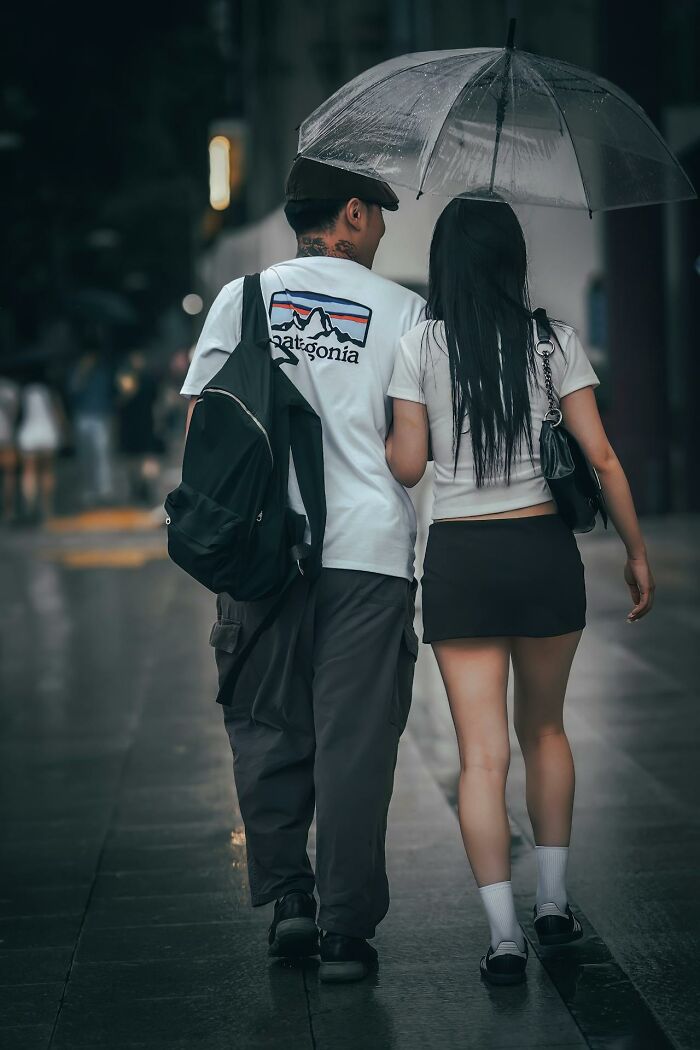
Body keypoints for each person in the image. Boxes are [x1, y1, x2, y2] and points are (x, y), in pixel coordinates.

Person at [386, 198, 655, 986]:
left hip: (462, 559)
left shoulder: (417, 346)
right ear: (510, 260)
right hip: (541, 551)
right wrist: (636, 552)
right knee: (545, 732)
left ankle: (503, 937)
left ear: (443, 263)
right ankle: (554, 904)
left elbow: (408, 467)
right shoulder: (553, 343)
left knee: (480, 757)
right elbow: (601, 458)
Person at [180, 158, 424, 982]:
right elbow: (414, 448)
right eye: (380, 216)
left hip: (259, 552)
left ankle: (291, 900)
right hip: (369, 556)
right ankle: (347, 934)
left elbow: (203, 422)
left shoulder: (242, 299)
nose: (384, 231)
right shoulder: (403, 311)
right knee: (356, 742)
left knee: (266, 725)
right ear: (351, 215)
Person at [68, 345, 115, 507]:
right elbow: (72, 390)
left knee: (101, 454)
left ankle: (104, 490)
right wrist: (82, 372)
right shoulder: (77, 371)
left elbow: (110, 392)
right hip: (82, 415)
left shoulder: (103, 372)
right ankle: (88, 489)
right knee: (85, 454)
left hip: (101, 415)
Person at [116, 351, 164, 505]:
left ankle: (143, 488)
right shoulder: (128, 377)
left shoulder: (144, 379)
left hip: (143, 423)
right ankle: (138, 488)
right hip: (133, 423)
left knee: (143, 458)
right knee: (134, 458)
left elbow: (156, 401)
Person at [16, 377, 63, 523]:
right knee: (47, 471)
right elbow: (58, 414)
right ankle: (47, 508)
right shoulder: (50, 392)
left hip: (29, 433)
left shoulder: (23, 391)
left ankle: (30, 505)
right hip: (47, 432)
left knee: (29, 471)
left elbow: (18, 414)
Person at [0, 376, 20, 522]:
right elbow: (15, 413)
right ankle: (8, 510)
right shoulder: (9, 388)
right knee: (9, 474)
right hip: (5, 433)